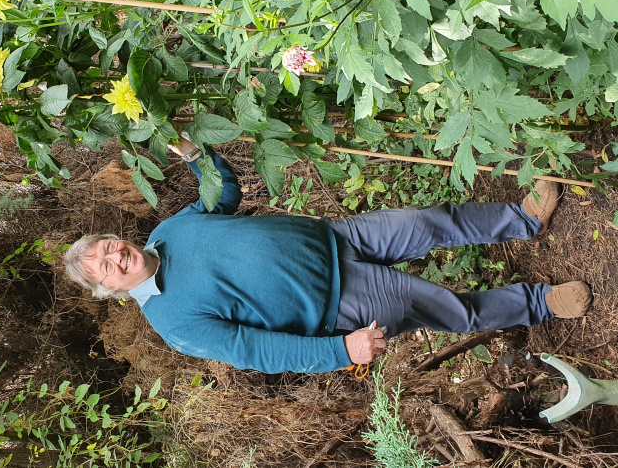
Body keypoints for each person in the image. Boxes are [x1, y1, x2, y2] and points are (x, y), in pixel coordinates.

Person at [63, 134, 593, 374]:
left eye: (108, 248)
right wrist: (343, 352)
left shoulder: (167, 231)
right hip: (344, 301)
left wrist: (198, 155)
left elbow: (223, 196)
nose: (116, 257)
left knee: (430, 221)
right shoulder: (173, 322)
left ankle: (524, 218)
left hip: (336, 237)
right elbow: (256, 352)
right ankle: (542, 303)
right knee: (448, 308)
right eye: (106, 268)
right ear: (109, 289)